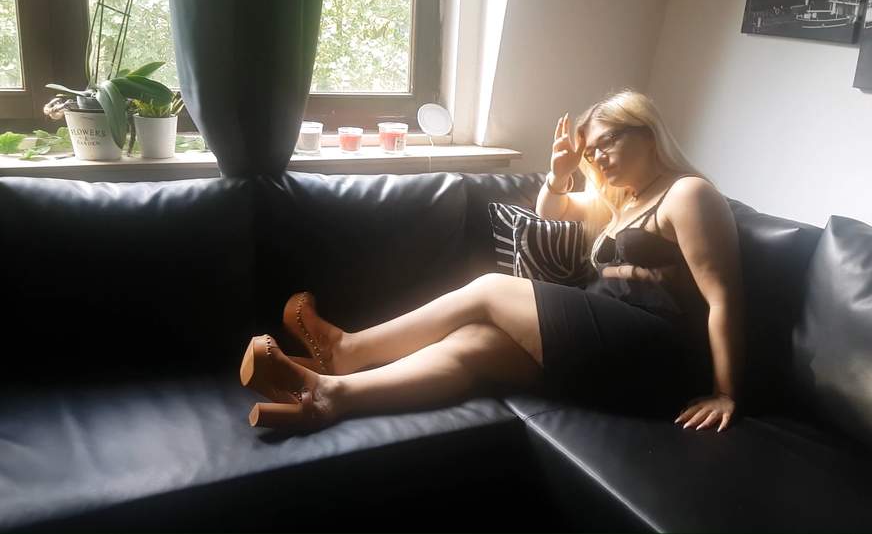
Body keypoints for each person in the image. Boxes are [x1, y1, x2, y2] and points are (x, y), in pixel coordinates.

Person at [239, 89, 745, 435]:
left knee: (489, 289)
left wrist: (724, 392)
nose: (599, 157)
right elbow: (552, 212)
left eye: (608, 141)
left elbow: (723, 298)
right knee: (474, 345)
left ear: (647, 132)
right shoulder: (622, 204)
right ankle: (333, 395)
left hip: (656, 352)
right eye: (592, 152)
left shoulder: (687, 194)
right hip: (609, 344)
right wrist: (560, 174)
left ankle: (347, 349)